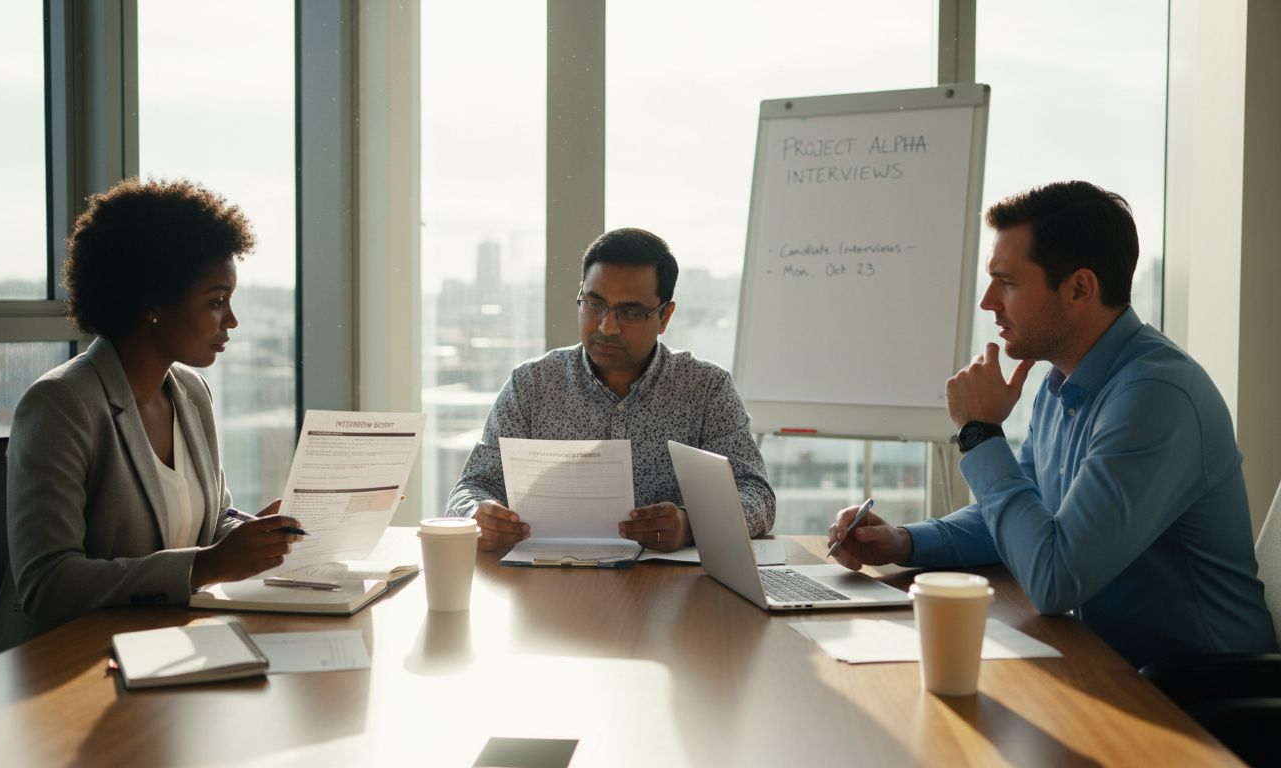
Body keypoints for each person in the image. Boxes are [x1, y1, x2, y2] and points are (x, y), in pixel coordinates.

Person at [827, 180, 1277, 668]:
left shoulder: (1155, 397)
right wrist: (903, 541)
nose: (988, 301)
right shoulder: (1061, 383)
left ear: (1079, 288)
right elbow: (1022, 509)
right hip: (1106, 666)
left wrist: (980, 433)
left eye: (1008, 282)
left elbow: (1054, 579)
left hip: (1199, 700)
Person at [0, 179, 303, 659]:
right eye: (216, 301)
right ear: (152, 302)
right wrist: (206, 567)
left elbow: (210, 526)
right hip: (56, 667)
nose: (231, 320)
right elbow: (46, 584)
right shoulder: (60, 404)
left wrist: (254, 534)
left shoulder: (191, 393)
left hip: (159, 650)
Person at [446, 227, 775, 553]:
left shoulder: (705, 390)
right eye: (595, 304)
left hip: (668, 589)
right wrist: (477, 516)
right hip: (549, 581)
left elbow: (757, 495)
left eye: (630, 312)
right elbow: (472, 487)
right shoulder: (532, 386)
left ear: (665, 317)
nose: (607, 326)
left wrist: (692, 526)